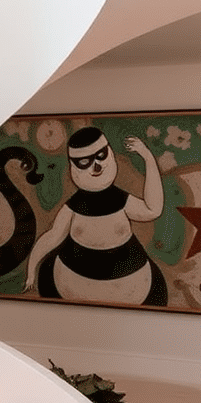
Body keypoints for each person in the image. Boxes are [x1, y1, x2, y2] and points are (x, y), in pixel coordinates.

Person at [24, 126, 168, 306]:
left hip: (134, 290)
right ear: (72, 167)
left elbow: (152, 210)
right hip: (70, 287)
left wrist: (147, 157)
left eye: (101, 156)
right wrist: (31, 271)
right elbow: (53, 236)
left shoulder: (121, 200)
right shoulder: (73, 206)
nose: (97, 166)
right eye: (85, 162)